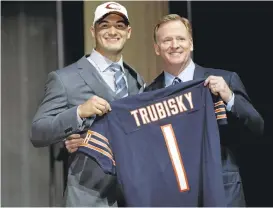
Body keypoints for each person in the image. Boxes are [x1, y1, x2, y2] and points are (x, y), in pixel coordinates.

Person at [30, 1, 145, 206]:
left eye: (119, 25)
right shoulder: (65, 79)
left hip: (132, 196)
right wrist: (78, 113)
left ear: (129, 32)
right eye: (104, 25)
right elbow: (38, 132)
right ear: (93, 31)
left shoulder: (136, 81)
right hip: (88, 197)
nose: (112, 31)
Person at [144, 14, 264, 206]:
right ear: (157, 49)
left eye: (181, 39)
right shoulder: (149, 94)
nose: (174, 45)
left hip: (222, 192)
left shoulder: (225, 80)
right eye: (167, 40)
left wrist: (229, 97)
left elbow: (257, 126)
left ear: (191, 44)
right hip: (173, 195)